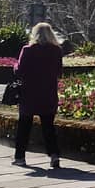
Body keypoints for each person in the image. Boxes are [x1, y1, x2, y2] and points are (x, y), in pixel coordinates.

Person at [12, 22, 62, 169]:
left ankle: (20, 157)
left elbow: (19, 70)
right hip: (48, 93)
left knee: (24, 127)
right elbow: (59, 72)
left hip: (29, 93)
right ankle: (54, 155)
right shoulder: (56, 51)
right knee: (48, 127)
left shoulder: (27, 50)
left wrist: (15, 66)